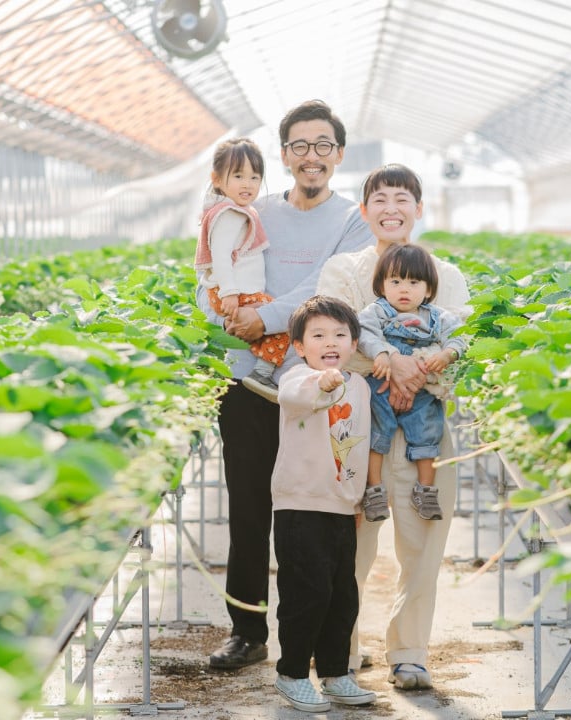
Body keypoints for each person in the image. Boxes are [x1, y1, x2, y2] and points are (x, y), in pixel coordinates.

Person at [199, 100, 374, 671]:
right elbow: (216, 267)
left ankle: (321, 638)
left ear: (339, 154)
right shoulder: (254, 208)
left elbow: (331, 286)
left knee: (313, 517)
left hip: (317, 387)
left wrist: (268, 317)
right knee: (248, 510)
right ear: (283, 155)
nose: (311, 156)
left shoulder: (353, 219)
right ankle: (246, 631)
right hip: (248, 382)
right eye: (299, 146)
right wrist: (223, 313)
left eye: (323, 145)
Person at [315, 163, 471, 691]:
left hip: (425, 421)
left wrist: (406, 370)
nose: (391, 209)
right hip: (356, 423)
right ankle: (344, 646)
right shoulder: (342, 271)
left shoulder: (446, 274)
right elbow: (332, 343)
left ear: (418, 209)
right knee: (351, 536)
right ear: (364, 211)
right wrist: (397, 366)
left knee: (422, 539)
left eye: (402, 199)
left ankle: (409, 652)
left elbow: (460, 351)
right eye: (379, 199)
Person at [271, 295, 376, 712]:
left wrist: (361, 497)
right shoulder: (296, 379)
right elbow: (307, 391)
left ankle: (335, 674)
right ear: (300, 346)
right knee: (305, 593)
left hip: (341, 506)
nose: (330, 341)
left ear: (354, 342)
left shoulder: (362, 386)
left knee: (341, 595)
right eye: (318, 335)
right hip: (301, 506)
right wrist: (327, 380)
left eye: (339, 334)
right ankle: (291, 673)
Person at [357, 243, 467, 523]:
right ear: (382, 286)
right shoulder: (377, 311)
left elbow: (460, 337)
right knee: (376, 431)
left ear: (428, 290)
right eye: (395, 281)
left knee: (428, 431)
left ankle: (426, 489)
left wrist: (447, 353)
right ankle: (374, 489)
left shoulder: (438, 317)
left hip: (421, 391)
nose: (403, 289)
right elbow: (363, 333)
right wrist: (383, 353)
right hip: (382, 386)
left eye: (413, 282)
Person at [194, 137, 289, 400]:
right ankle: (262, 373)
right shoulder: (230, 214)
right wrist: (230, 293)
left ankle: (258, 371)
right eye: (238, 175)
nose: (247, 184)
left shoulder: (231, 210)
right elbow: (221, 257)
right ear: (217, 179)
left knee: (270, 320)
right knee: (281, 322)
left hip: (234, 291)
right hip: (236, 293)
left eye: (255, 177)